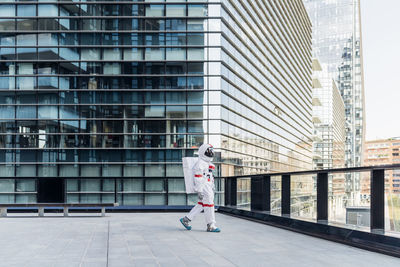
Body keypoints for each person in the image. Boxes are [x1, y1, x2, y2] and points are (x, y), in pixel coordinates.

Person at [180, 144, 220, 232]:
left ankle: (186, 219)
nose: (210, 153)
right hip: (204, 186)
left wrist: (212, 186)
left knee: (201, 205)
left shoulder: (206, 163)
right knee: (209, 204)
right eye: (209, 151)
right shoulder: (200, 163)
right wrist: (199, 191)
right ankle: (211, 225)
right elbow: (198, 178)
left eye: (211, 151)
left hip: (207, 185)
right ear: (203, 152)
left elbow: (210, 177)